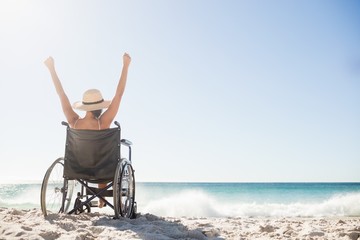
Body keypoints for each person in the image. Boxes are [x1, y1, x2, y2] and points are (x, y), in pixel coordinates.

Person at [44, 53, 131, 208]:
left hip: (78, 169)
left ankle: (100, 199)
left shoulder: (73, 121)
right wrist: (125, 66)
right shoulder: (104, 123)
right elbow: (119, 94)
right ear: (100, 107)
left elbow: (61, 94)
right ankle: (102, 199)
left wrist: (52, 69)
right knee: (101, 156)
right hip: (102, 170)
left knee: (95, 156)